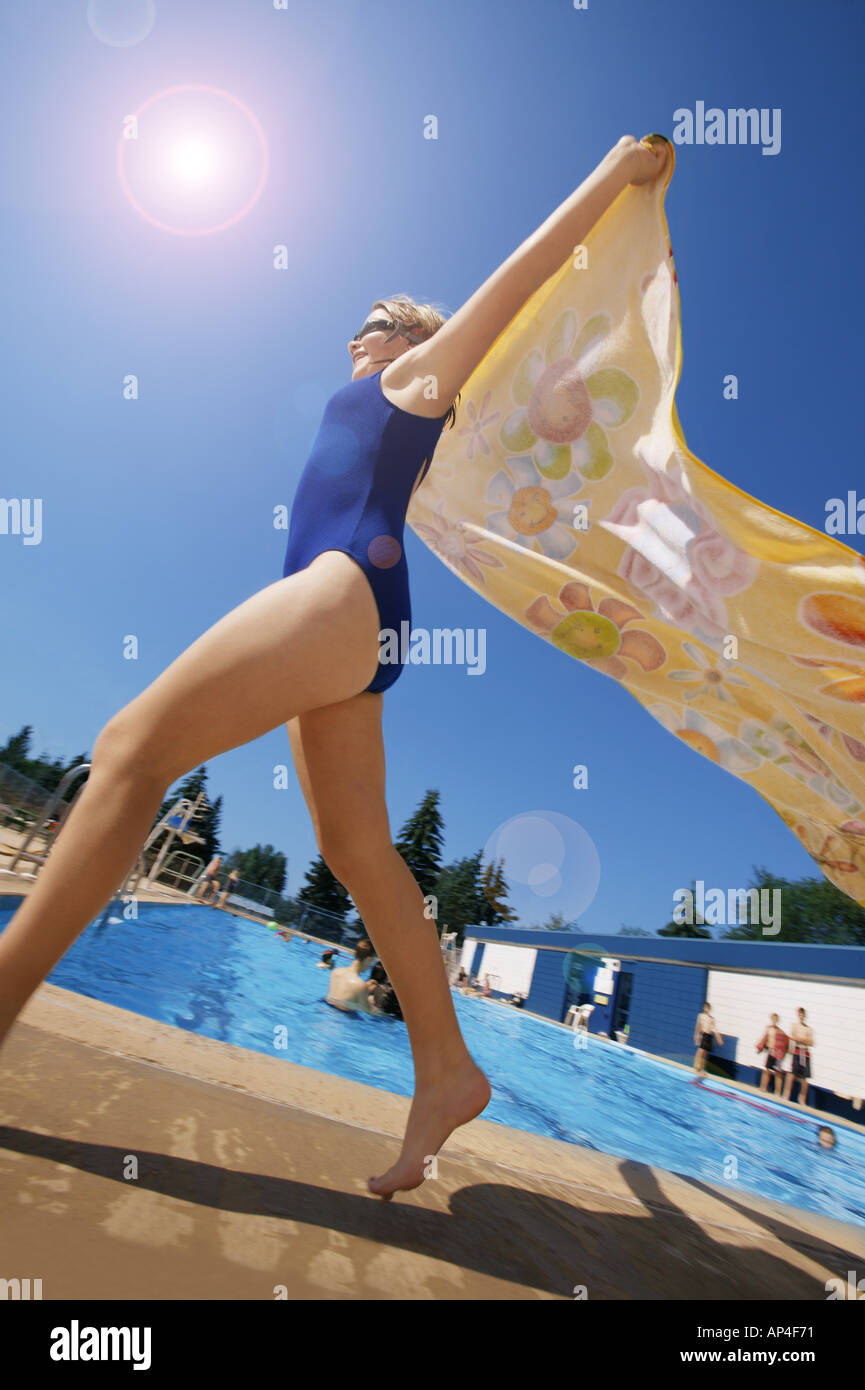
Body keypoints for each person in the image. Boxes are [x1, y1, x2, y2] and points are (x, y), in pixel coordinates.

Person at [0, 133, 669, 1200]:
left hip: (346, 588)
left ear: (402, 332)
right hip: (356, 613)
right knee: (358, 852)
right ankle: (447, 1070)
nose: (351, 329)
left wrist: (612, 173)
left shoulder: (417, 375)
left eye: (367, 315)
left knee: (131, 744)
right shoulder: (389, 388)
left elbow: (524, 270)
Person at [325, 938, 377, 1014]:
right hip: (342, 1020)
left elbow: (342, 998)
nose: (371, 965)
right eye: (372, 962)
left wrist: (365, 989)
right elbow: (369, 1011)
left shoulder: (336, 972)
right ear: (369, 959)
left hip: (326, 1009)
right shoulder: (359, 984)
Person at [784, 1007, 815, 1106]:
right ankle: (786, 1095)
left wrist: (800, 1039)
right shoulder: (795, 1026)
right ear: (798, 1015)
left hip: (805, 1053)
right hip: (797, 1051)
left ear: (805, 1016)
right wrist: (804, 1040)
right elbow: (793, 1037)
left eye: (803, 1014)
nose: (801, 1016)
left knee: (805, 1078)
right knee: (792, 1074)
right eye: (800, 1014)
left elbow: (811, 1043)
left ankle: (802, 1098)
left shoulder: (809, 1029)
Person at [755, 1012, 788, 1095]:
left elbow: (785, 1043)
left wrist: (783, 1053)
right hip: (771, 1051)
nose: (774, 1021)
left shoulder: (780, 1032)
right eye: (773, 1019)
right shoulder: (769, 1029)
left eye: (775, 1020)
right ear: (771, 1019)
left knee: (778, 1072)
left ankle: (777, 1092)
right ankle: (763, 1087)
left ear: (777, 1021)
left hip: (778, 1053)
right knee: (766, 1070)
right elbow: (764, 1039)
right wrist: (760, 1048)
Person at [693, 1002, 724, 1078]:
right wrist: (696, 1035)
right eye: (706, 1008)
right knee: (701, 1051)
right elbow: (698, 1026)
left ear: (710, 1009)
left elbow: (715, 1029)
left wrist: (719, 1038)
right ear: (704, 1008)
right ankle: (697, 1068)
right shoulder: (701, 1016)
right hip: (703, 1035)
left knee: (704, 1053)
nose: (707, 1010)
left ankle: (702, 1069)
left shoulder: (712, 1019)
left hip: (709, 1036)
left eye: (709, 1008)